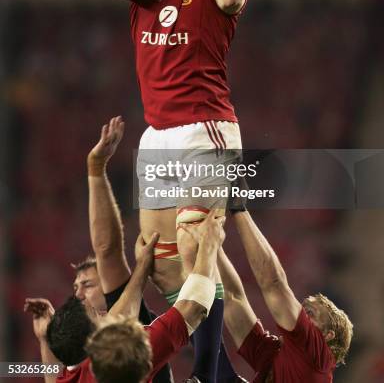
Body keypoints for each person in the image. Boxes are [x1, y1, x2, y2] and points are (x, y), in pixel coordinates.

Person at [98, 0, 246, 382]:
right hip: (157, 135)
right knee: (160, 263)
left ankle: (208, 371)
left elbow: (231, 0)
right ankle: (206, 366)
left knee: (192, 240)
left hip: (206, 127)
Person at [26, 211, 225, 383]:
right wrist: (209, 245)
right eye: (98, 317)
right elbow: (195, 307)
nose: (105, 314)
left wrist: (45, 339)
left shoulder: (79, 366)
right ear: (95, 344)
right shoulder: (126, 355)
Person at [181, 211, 353, 382]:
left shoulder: (319, 359)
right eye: (303, 309)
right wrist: (209, 242)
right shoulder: (273, 355)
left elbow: (274, 283)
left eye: (310, 315)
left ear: (327, 337)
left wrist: (240, 210)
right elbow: (233, 299)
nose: (300, 316)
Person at [74, 115, 173, 382]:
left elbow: (106, 250)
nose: (79, 294)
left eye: (87, 285)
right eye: (78, 287)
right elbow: (196, 303)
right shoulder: (133, 341)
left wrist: (96, 169)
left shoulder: (119, 342)